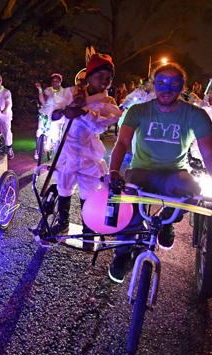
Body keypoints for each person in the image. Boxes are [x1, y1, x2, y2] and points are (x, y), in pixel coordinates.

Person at [107, 63, 212, 283]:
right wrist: (113, 171)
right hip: (142, 170)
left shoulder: (195, 115)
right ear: (153, 85)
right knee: (128, 205)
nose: (167, 89)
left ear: (183, 87)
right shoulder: (138, 111)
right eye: (161, 83)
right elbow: (122, 143)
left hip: (175, 172)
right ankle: (122, 253)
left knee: (192, 189)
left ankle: (166, 221)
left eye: (174, 84)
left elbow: (210, 155)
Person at [48, 53, 122, 250]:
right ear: (88, 76)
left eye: (109, 78)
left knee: (88, 193)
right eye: (101, 76)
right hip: (67, 150)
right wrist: (64, 111)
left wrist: (83, 112)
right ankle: (62, 222)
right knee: (64, 186)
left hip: (89, 154)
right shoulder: (73, 92)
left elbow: (102, 123)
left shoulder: (109, 102)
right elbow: (52, 110)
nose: (105, 81)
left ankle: (88, 232)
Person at [35, 73, 73, 159]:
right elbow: (43, 101)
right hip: (45, 112)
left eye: (57, 81)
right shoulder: (48, 90)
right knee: (40, 131)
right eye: (53, 81)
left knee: (56, 135)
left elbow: (68, 104)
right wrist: (40, 90)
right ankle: (38, 150)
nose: (55, 83)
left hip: (57, 115)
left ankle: (57, 152)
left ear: (60, 82)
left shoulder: (64, 92)